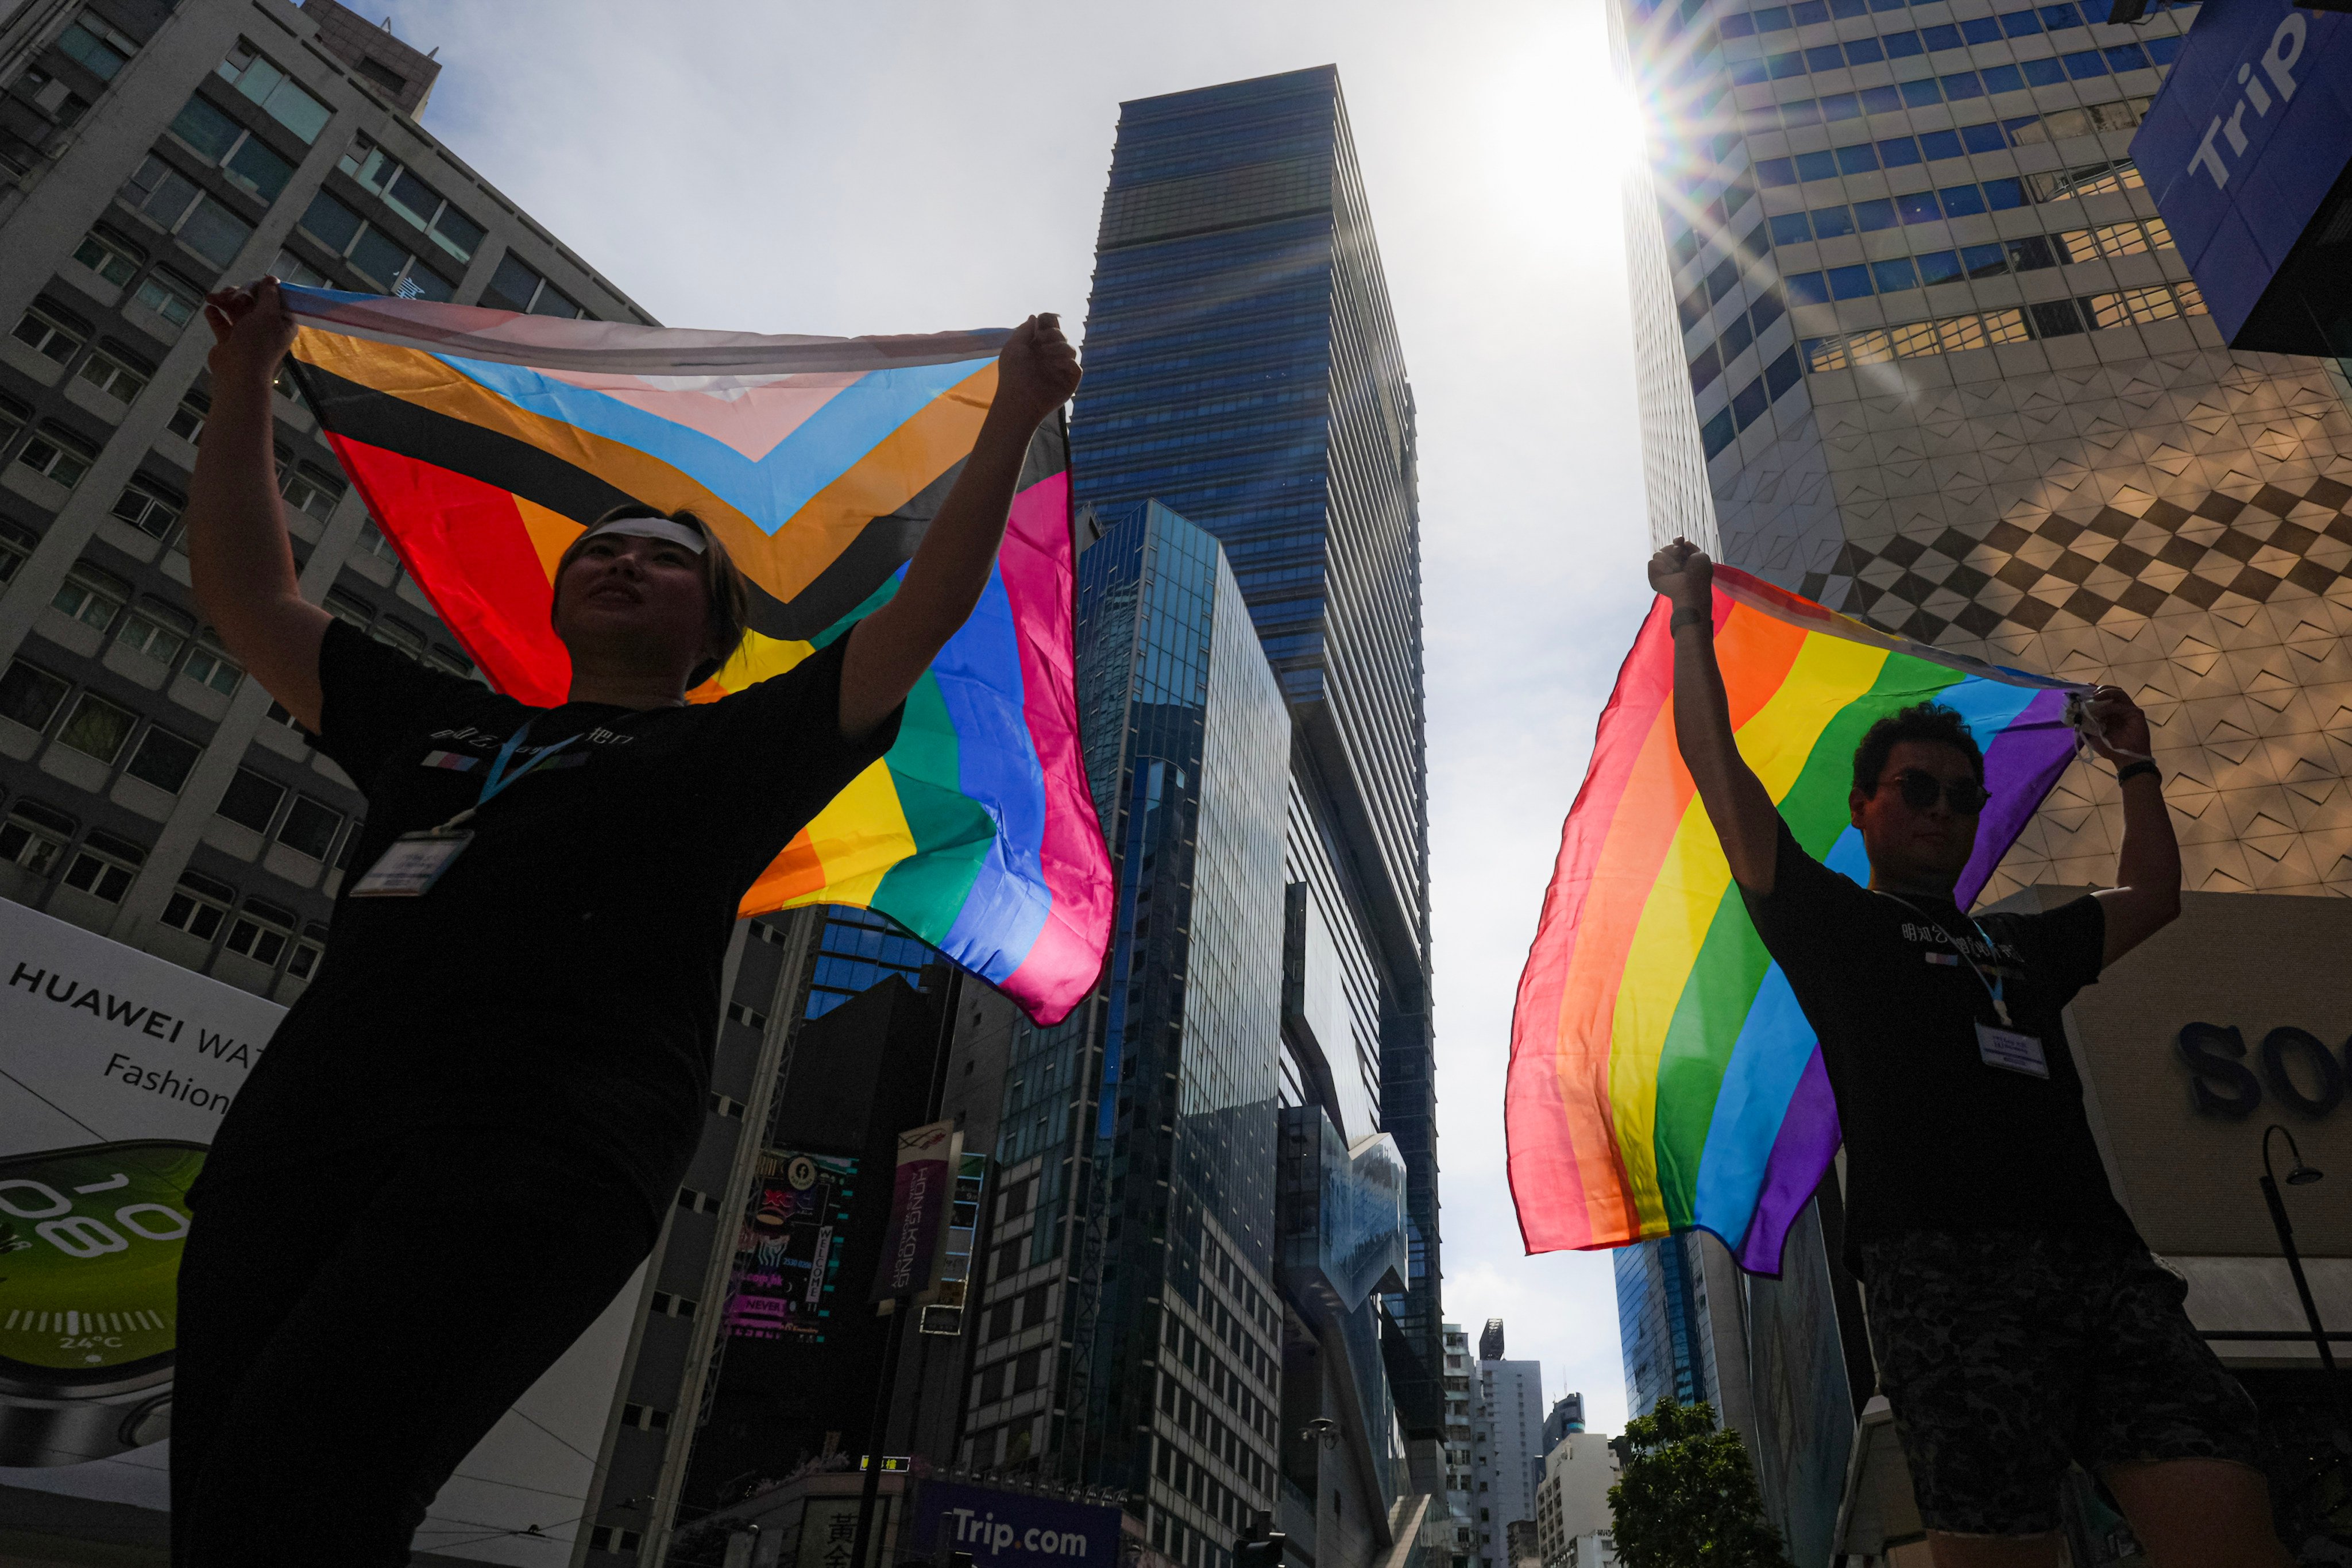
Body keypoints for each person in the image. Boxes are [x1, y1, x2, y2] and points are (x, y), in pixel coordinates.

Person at [169, 278, 1080, 1565]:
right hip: (295, 1141)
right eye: (601, 546)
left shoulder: (732, 750)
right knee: (219, 1505)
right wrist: (245, 382)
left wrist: (1011, 419)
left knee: (308, 1483)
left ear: (709, 631)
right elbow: (251, 599)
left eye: (663, 557)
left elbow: (914, 619)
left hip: (538, 1147)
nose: (622, 560)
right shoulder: (440, 726)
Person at [1646, 538, 2290, 1568]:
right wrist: (1688, 614)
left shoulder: (2021, 945)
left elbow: (2153, 897)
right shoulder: (1833, 924)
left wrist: (2134, 761)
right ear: (1864, 807)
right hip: (1943, 1276)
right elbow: (1716, 768)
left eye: (1962, 797)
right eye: (1917, 789)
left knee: (2230, 1524)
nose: (1943, 809)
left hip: (2102, 1268)